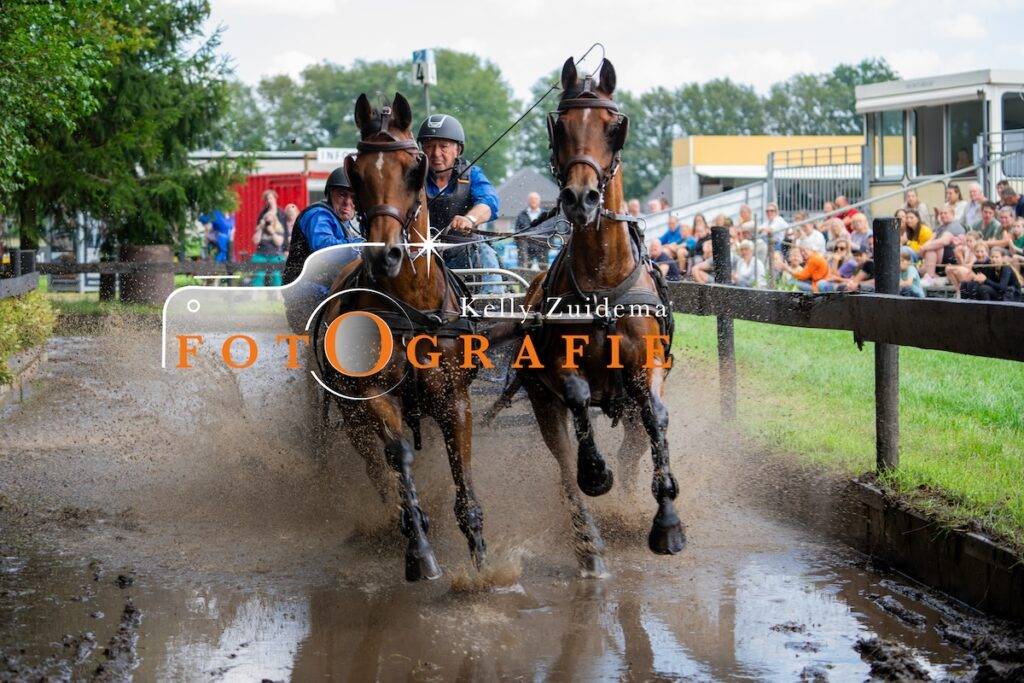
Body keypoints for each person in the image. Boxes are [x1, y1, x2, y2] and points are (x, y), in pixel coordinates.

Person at [417, 113, 501, 292]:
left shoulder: (472, 174)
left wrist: (469, 219)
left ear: (458, 150)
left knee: (485, 252)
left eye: (443, 146)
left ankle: (493, 301)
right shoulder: (412, 176)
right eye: (429, 146)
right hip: (419, 253)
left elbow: (489, 201)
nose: (436, 153)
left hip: (463, 250)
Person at [281, 166, 363, 331]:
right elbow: (324, 248)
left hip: (325, 289)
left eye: (353, 197)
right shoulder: (318, 215)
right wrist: (360, 247)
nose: (348, 202)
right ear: (330, 194)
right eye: (342, 195)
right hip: (306, 292)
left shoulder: (344, 222)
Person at [918, 206, 965, 285]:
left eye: (945, 213)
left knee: (933, 248)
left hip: (953, 256)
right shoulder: (940, 228)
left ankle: (930, 277)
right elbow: (930, 240)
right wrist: (923, 248)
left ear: (952, 214)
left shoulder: (955, 225)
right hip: (939, 258)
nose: (942, 215)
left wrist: (924, 248)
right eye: (941, 213)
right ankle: (931, 277)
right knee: (930, 250)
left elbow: (943, 241)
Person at [251, 210, 287, 287]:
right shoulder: (261, 229)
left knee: (276, 274)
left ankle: (278, 292)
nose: (268, 222)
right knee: (259, 274)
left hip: (275, 255)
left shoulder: (278, 230)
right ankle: (255, 292)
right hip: (260, 255)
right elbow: (255, 241)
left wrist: (272, 232)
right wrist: (260, 228)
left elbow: (279, 243)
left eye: (270, 221)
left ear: (275, 221)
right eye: (266, 220)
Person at [514, 192, 546, 269]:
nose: (533, 201)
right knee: (524, 269)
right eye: (531, 199)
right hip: (525, 247)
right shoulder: (521, 214)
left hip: (542, 247)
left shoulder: (545, 215)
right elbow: (517, 231)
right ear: (528, 200)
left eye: (535, 199)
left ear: (539, 201)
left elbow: (550, 229)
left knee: (544, 269)